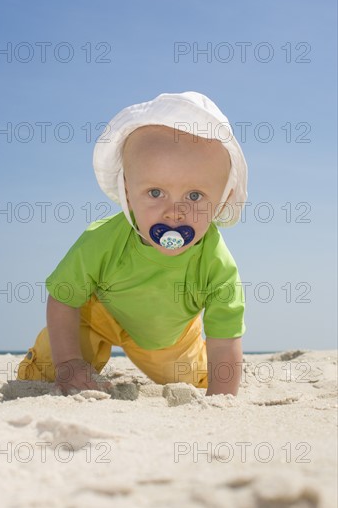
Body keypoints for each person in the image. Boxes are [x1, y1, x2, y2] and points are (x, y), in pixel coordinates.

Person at [18, 91, 248, 397]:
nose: (174, 211)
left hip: (169, 337)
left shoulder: (217, 264)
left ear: (221, 201)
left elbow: (225, 339)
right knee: (49, 369)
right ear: (127, 192)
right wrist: (69, 362)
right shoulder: (103, 239)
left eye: (194, 196)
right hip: (99, 315)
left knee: (199, 378)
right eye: (155, 193)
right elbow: (64, 297)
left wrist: (222, 400)